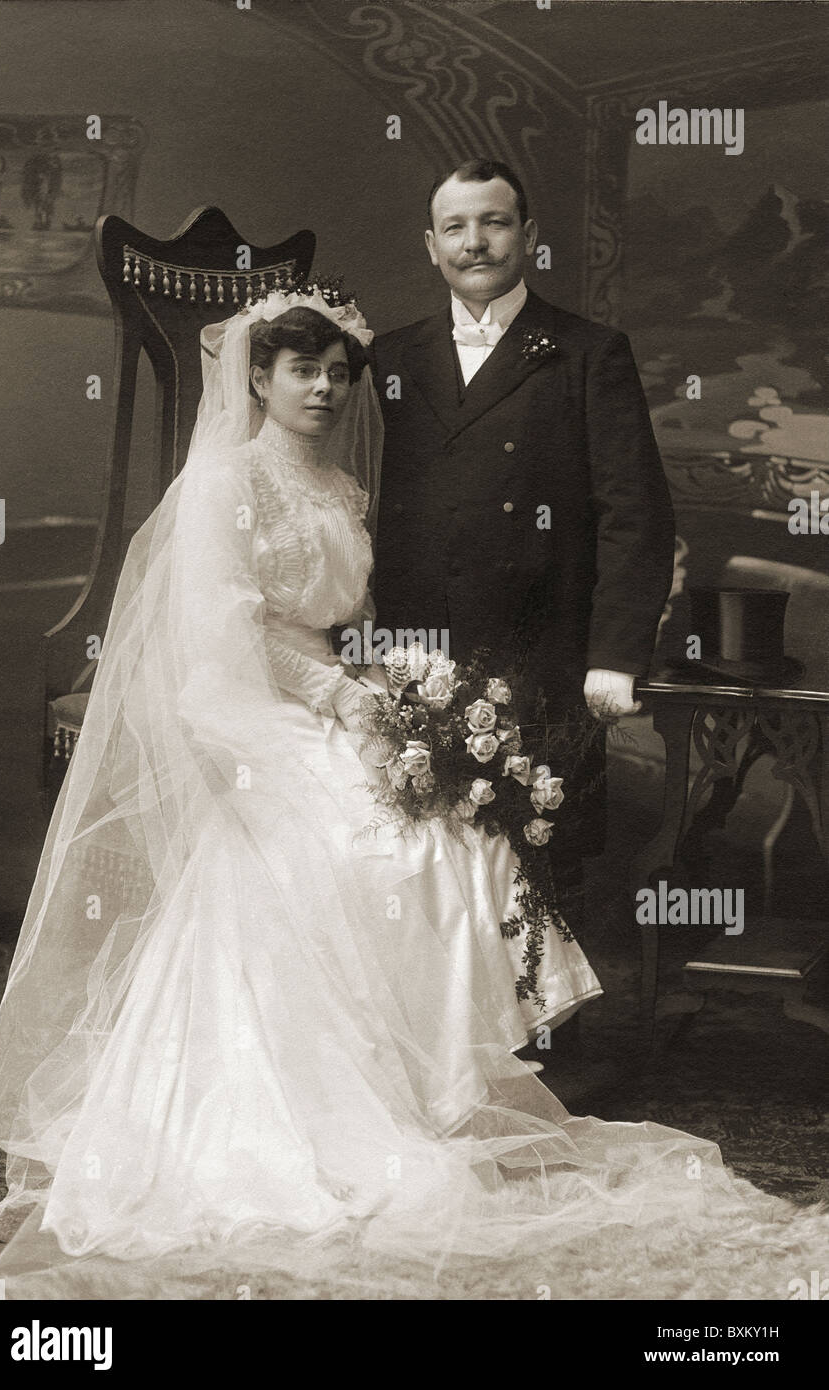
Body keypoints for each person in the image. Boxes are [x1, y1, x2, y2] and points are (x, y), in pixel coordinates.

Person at [0, 290, 825, 1300]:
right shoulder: (228, 486)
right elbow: (230, 635)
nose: (325, 389)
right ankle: (334, 1103)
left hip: (337, 693)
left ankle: (432, 1095)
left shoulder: (340, 483)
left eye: (338, 373)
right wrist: (344, 701)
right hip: (242, 707)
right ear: (257, 378)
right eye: (302, 370)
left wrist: (398, 694)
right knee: (368, 840)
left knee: (456, 827)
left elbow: (356, 620)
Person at [372, 159, 677, 932]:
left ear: (530, 236)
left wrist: (616, 652)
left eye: (495, 222)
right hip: (421, 647)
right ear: (429, 245)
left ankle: (543, 1038)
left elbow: (635, 513)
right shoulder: (389, 359)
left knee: (541, 852)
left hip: (543, 646)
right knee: (426, 847)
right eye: (456, 227)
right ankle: (446, 1037)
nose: (476, 243)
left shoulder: (587, 352)